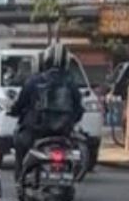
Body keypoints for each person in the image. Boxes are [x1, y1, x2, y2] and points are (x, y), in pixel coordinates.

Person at [10, 44, 84, 179]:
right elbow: (79, 109)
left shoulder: (34, 81)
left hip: (35, 131)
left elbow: (20, 104)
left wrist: (14, 111)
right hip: (63, 132)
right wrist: (70, 122)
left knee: (19, 144)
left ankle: (20, 177)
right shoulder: (71, 83)